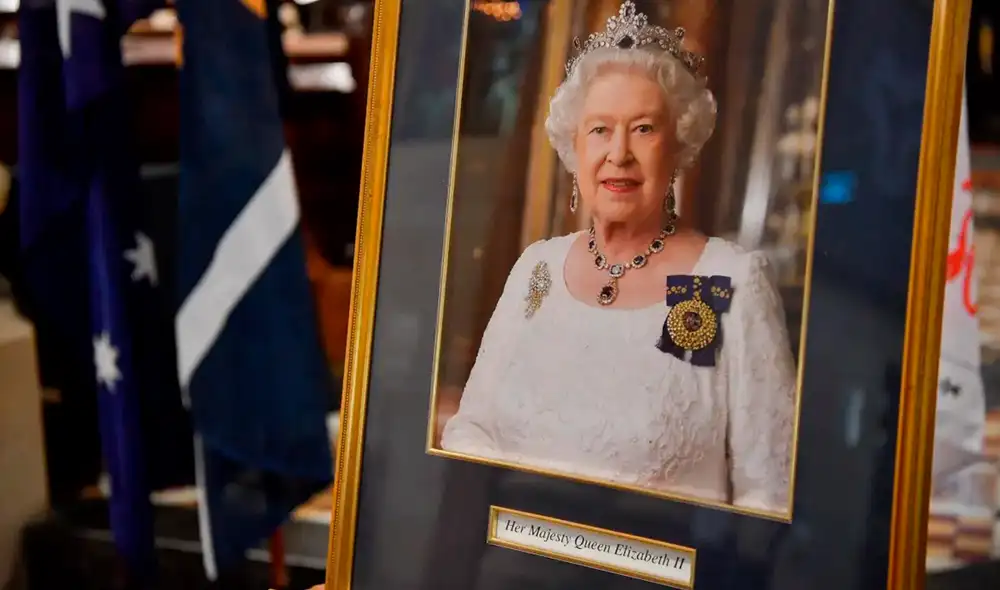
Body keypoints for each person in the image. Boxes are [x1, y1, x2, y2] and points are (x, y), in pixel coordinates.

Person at [440, 1, 796, 514]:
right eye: (600, 129)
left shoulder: (723, 281)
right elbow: (471, 429)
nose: (619, 154)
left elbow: (769, 493)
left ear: (678, 146)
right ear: (575, 147)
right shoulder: (537, 269)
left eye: (644, 129)